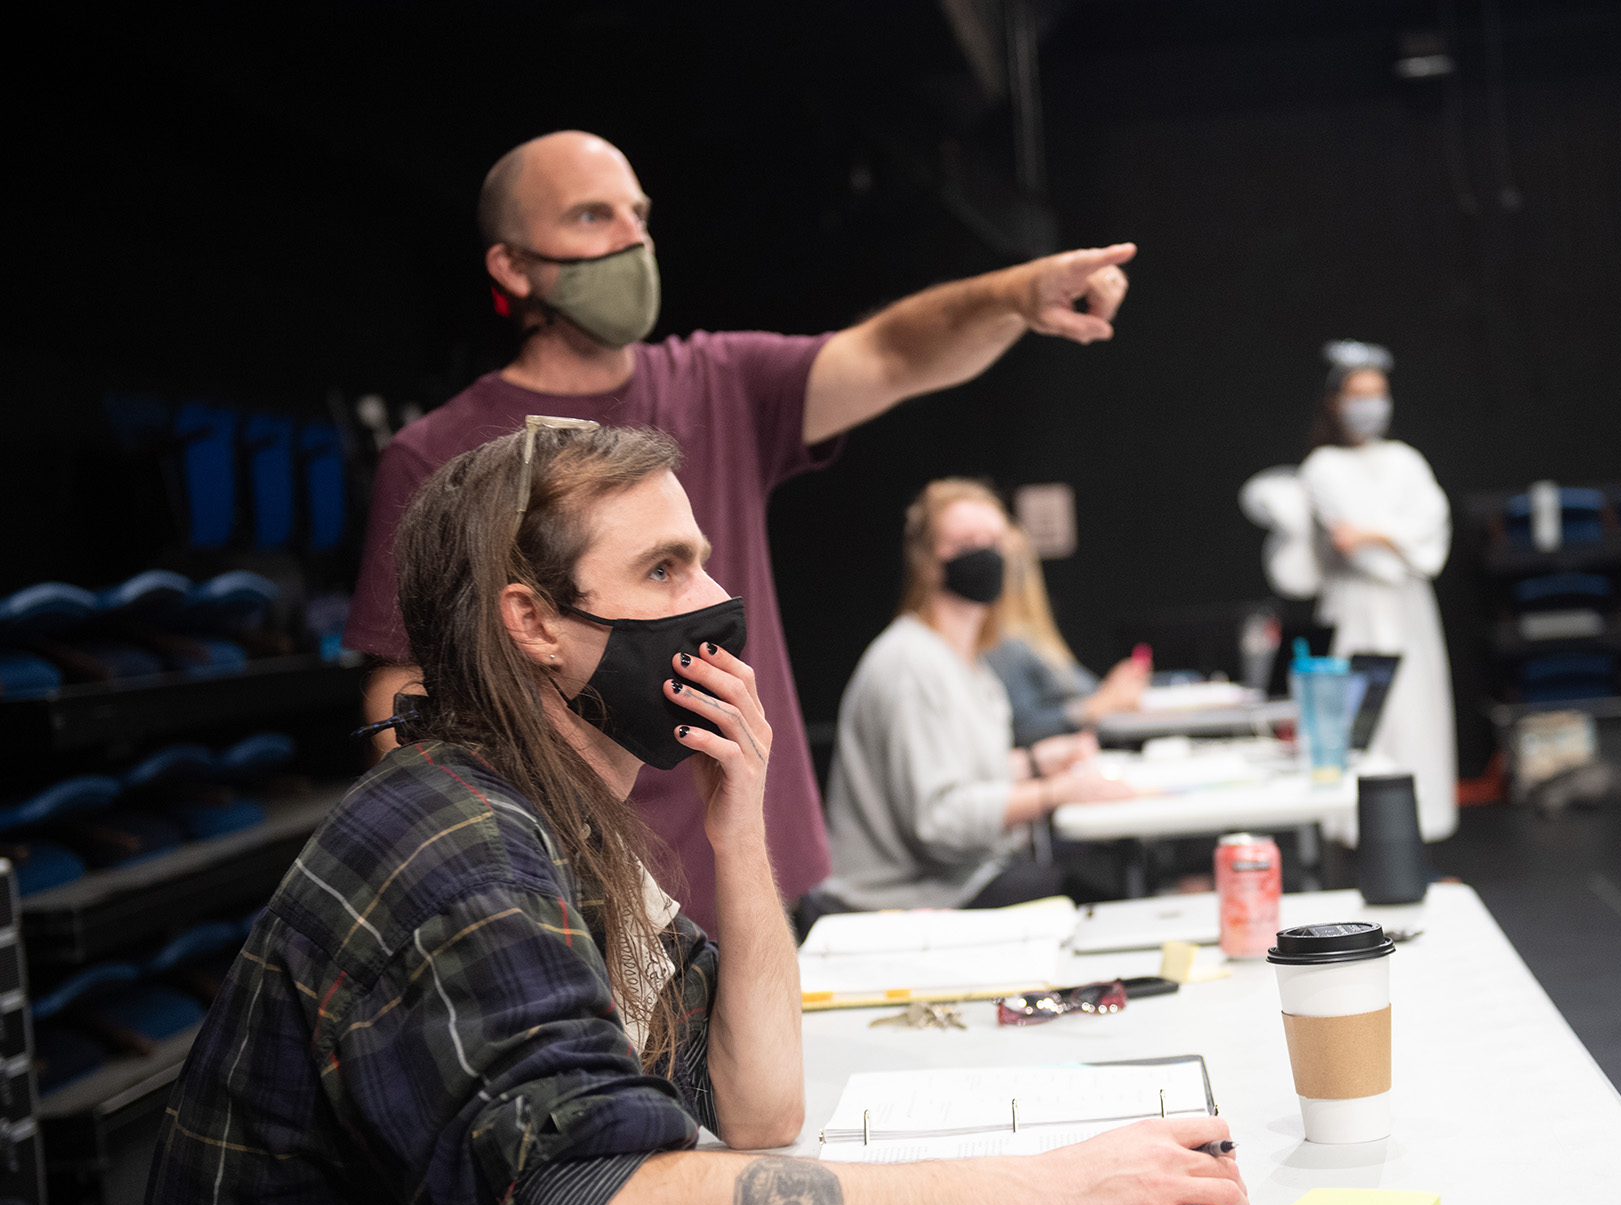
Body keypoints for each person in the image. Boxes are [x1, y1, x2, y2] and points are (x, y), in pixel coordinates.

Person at [140, 425, 1246, 1205]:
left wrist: (740, 826)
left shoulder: (552, 814)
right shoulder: (457, 844)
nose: (714, 601)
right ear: (531, 622)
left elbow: (760, 1108)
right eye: (665, 569)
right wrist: (1041, 1190)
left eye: (703, 561)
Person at [345, 129, 1141, 935]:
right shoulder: (439, 455)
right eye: (593, 217)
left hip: (758, 879)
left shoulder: (718, 383)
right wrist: (473, 878)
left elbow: (893, 354)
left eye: (639, 215)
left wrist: (1012, 295)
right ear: (513, 265)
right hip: (575, 904)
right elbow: (402, 691)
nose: (632, 239)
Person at [813, 481, 1134, 920]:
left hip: (955, 881)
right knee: (1096, 907)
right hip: (907, 899)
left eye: (994, 542)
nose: (987, 555)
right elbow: (939, 822)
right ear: (928, 562)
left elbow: (960, 774)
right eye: (967, 543)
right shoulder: (910, 664)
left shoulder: (967, 663)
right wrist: (1056, 791)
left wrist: (1036, 763)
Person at [1297, 340, 1458, 841]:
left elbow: (1430, 532)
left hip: (1409, 611)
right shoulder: (1322, 467)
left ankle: (1421, 826)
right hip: (1356, 609)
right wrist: (1390, 536)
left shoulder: (1407, 460)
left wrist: (1376, 532)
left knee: (1416, 715)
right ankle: (1356, 832)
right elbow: (1353, 545)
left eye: (1378, 392)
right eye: (1358, 393)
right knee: (1360, 720)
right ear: (1334, 400)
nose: (1370, 405)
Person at [985, 520, 1151, 746]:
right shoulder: (1004, 643)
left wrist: (1110, 691)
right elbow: (1022, 726)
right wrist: (1099, 704)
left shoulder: (1031, 636)